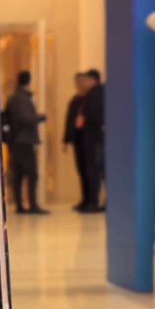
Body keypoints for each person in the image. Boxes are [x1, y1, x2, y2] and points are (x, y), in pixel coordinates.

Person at [3, 70, 47, 214]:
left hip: (16, 141)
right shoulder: (21, 98)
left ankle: (20, 206)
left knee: (18, 174)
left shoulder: (13, 97)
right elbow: (25, 117)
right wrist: (41, 117)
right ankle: (32, 205)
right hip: (23, 140)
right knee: (31, 174)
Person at [64, 71, 94, 210]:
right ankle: (85, 200)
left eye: (81, 81)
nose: (79, 84)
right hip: (77, 140)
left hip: (89, 140)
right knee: (81, 170)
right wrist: (66, 140)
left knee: (90, 171)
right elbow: (69, 120)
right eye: (77, 82)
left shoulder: (91, 99)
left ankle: (91, 201)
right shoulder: (74, 100)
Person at [80, 68, 105, 213]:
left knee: (94, 170)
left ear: (91, 80)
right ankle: (102, 202)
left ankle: (93, 202)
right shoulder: (102, 91)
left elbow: (94, 114)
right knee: (101, 171)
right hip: (100, 137)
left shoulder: (93, 93)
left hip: (94, 138)